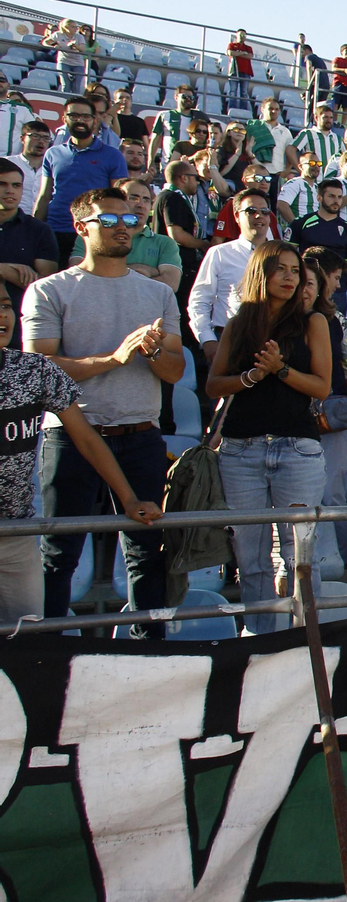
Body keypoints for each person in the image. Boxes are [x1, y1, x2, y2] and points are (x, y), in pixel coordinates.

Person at [23, 187, 183, 636]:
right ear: (80, 228)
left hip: (141, 435)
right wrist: (113, 359)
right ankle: (49, 656)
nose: (123, 228)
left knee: (147, 552)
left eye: (130, 220)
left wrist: (150, 353)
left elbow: (174, 370)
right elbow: (40, 367)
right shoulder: (48, 290)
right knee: (59, 555)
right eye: (108, 221)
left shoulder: (156, 294)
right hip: (71, 437)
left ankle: (149, 655)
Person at [0, 285, 161, 625]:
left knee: (30, 640)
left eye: (5, 306)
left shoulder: (34, 370)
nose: (3, 315)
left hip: (15, 534)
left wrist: (129, 499)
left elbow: (86, 438)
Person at [204, 242, 332, 633]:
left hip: (298, 449)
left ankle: (304, 642)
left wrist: (279, 370)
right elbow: (213, 385)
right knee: (251, 558)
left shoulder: (313, 322)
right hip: (240, 450)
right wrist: (251, 378)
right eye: (282, 269)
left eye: (296, 270)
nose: (291, 277)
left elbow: (322, 387)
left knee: (300, 557)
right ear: (262, 271)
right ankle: (259, 641)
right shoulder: (240, 321)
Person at [300, 254, 347, 564]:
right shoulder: (268, 320)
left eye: (311, 283)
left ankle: (338, 561)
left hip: (330, 422)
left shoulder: (337, 322)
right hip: (284, 423)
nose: (304, 289)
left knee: (333, 493)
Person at [34, 96, 129, 265]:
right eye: (74, 116)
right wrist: (34, 227)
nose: (80, 121)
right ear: (64, 119)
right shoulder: (52, 153)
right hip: (55, 229)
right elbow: (44, 195)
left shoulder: (113, 155)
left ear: (95, 120)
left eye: (86, 117)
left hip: (92, 231)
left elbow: (119, 198)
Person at [0, 159, 57, 349]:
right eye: (3, 184)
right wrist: (5, 270)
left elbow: (45, 285)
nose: (10, 191)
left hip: (18, 330)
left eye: (16, 185)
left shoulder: (39, 230)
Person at [225, 29, 254, 113]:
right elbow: (230, 53)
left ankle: (243, 109)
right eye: (240, 35)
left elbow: (249, 56)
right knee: (233, 91)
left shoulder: (248, 48)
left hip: (245, 72)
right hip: (234, 71)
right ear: (236, 36)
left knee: (244, 92)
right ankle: (232, 107)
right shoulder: (231, 45)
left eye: (244, 35)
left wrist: (238, 53)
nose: (242, 37)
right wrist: (242, 53)